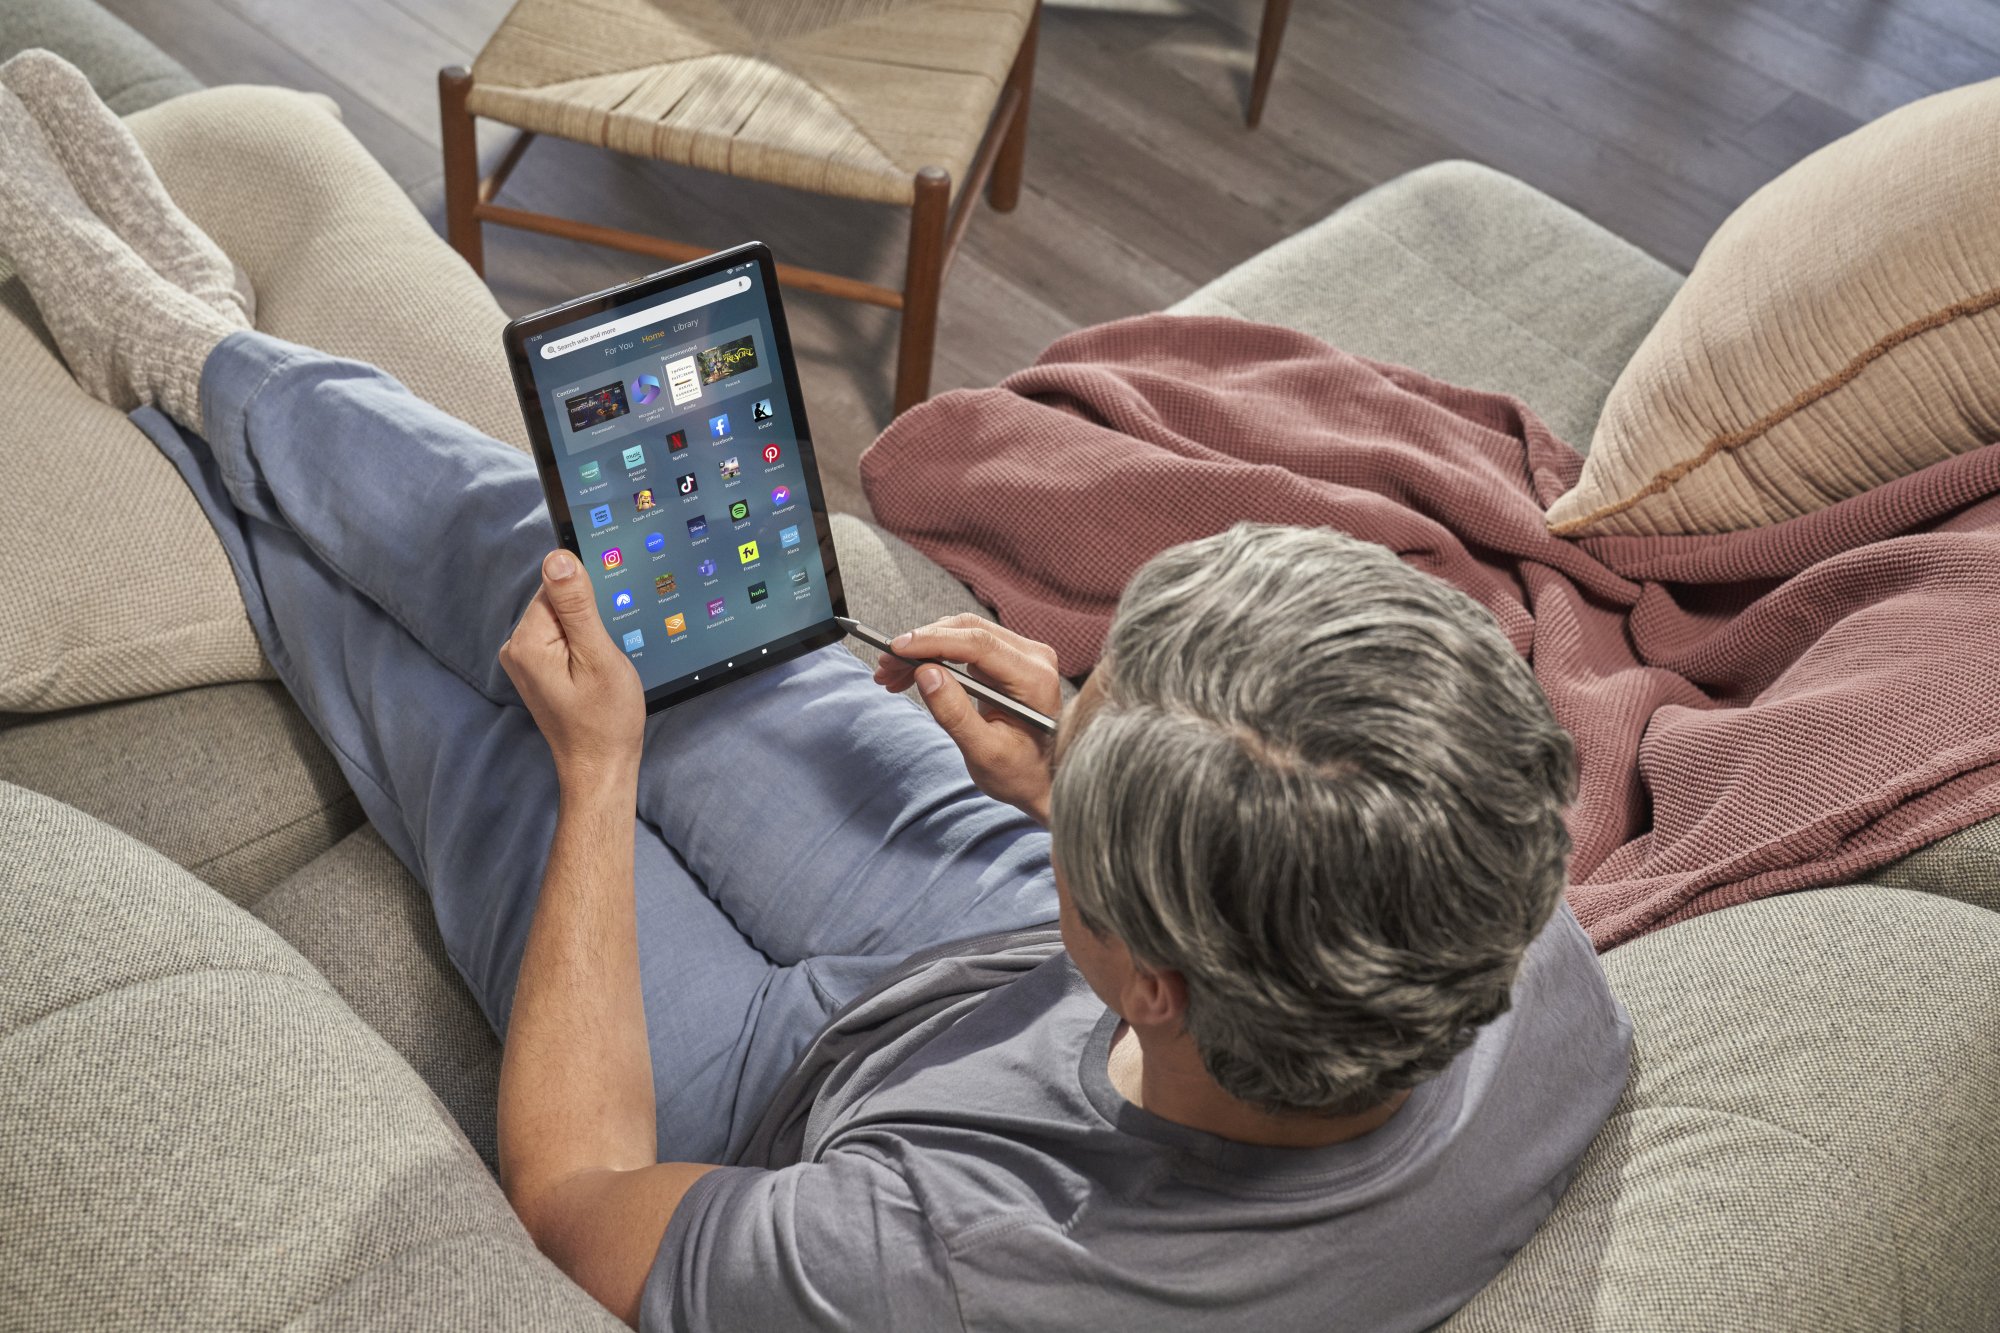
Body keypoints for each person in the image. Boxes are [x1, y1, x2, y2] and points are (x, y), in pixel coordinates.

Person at [0, 51, 1631, 1331]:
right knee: (598, 589)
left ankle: (177, 388)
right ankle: (205, 350)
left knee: (487, 722)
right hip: (1001, 929)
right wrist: (1081, 774)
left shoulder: (956, 1272)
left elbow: (581, 1198)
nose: (1066, 701)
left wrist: (592, 785)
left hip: (807, 1085)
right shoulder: (1511, 920)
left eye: (1092, 721)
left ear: (1149, 980)